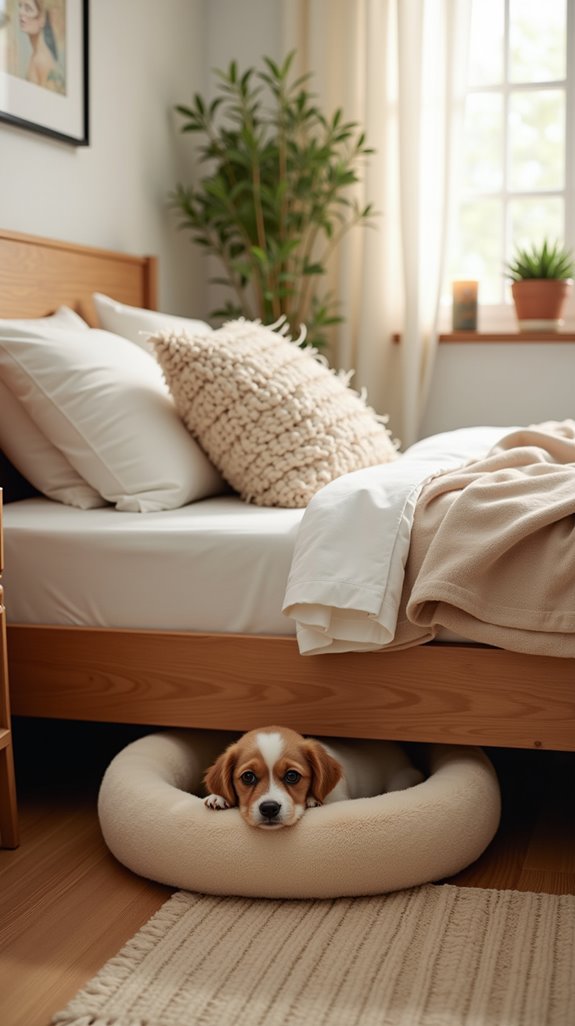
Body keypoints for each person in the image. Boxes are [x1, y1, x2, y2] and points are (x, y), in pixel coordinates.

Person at [18, 0, 64, 93]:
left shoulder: (42, 60)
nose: (21, 12)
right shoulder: (36, 54)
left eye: (28, 9)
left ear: (42, 19)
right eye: (20, 6)